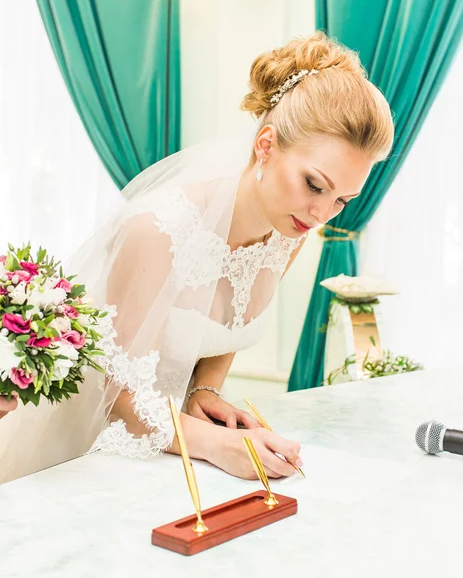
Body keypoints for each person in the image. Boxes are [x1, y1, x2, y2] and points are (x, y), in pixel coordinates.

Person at [0, 32, 393, 483]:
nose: (322, 213)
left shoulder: (288, 231)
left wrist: (205, 388)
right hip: (84, 453)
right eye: (314, 185)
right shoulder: (155, 228)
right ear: (265, 145)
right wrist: (222, 445)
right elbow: (116, 397)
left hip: (170, 454)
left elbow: (229, 321)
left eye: (343, 200)